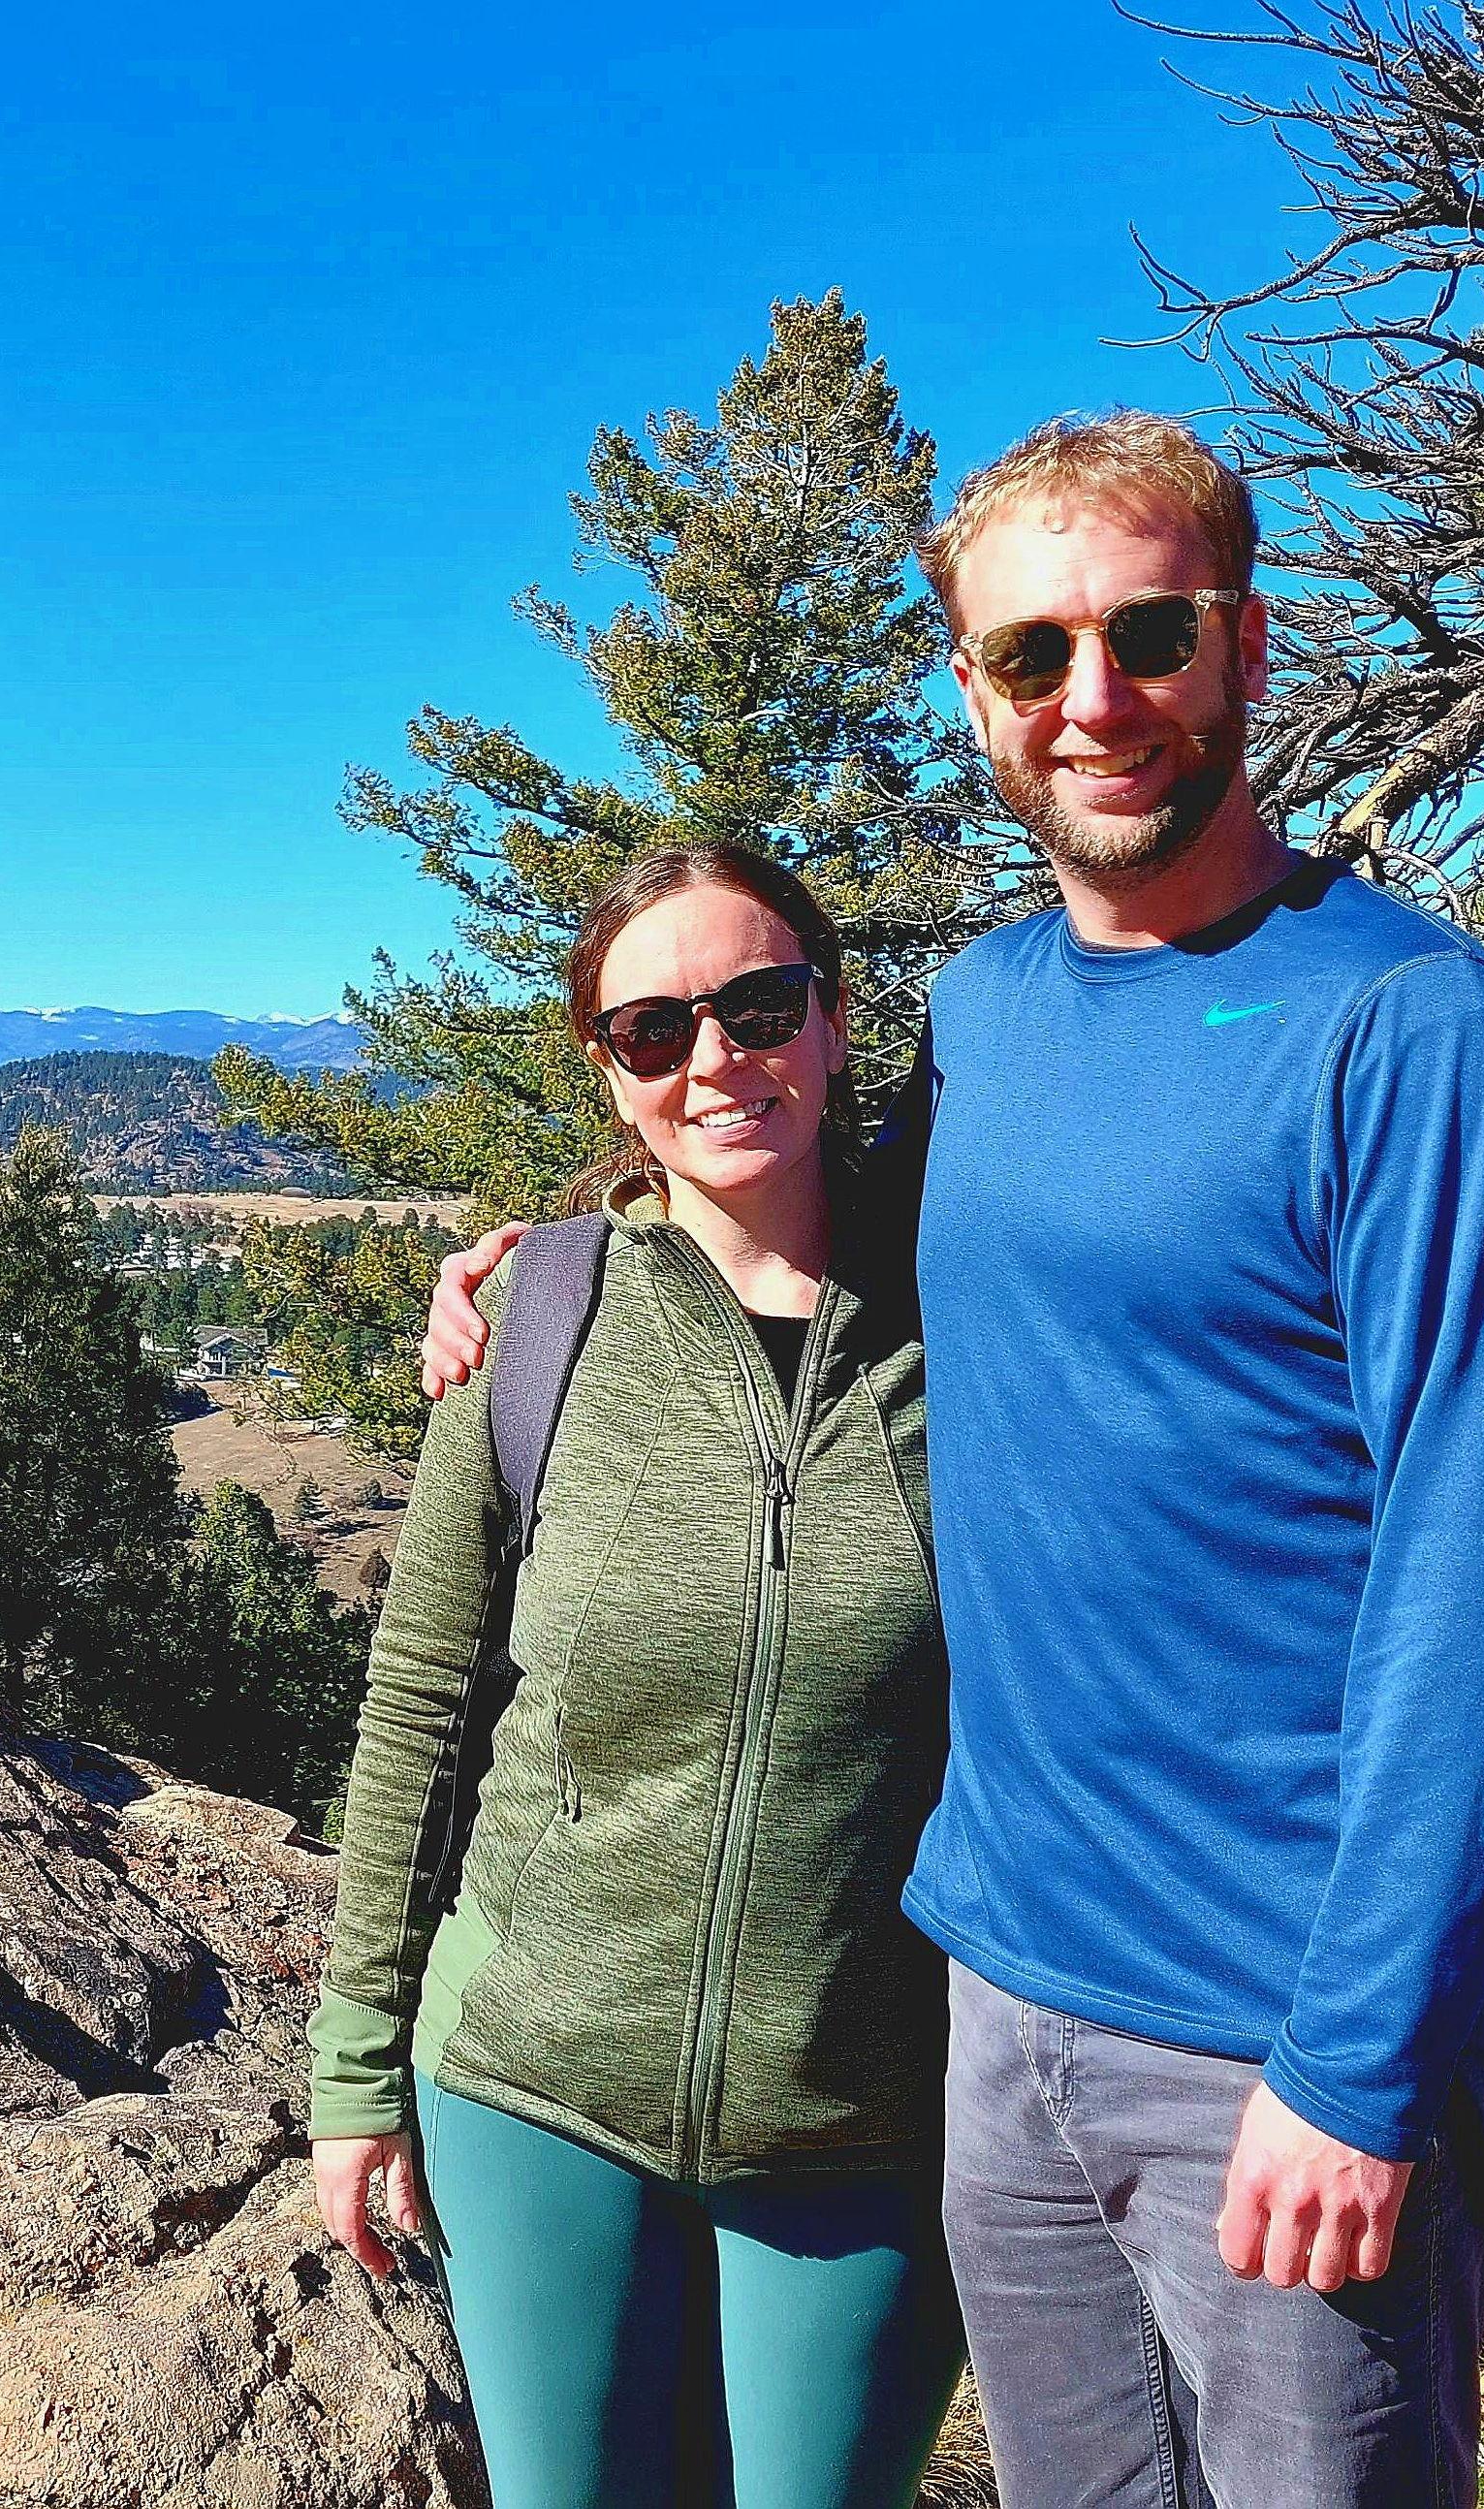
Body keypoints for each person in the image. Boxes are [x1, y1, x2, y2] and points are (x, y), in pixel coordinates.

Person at [425, 413, 1484, 2509]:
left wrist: (1357, 2053)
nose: (1094, 699)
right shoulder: (985, 1008)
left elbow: (1476, 1570)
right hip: (999, 1996)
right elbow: (784, 1199)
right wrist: (546, 1259)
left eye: (1147, 634)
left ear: (1245, 643)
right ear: (969, 690)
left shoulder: (1411, 1033)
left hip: (1276, 2028)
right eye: (1032, 654)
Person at [311, 842, 964, 2509]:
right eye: (652, 1031)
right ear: (608, 1074)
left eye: (756, 1008)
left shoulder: (978, 1317)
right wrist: (357, 2063)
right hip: (533, 2087)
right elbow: (424, 1707)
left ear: (831, 1021)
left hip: (867, 2114)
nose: (713, 1063)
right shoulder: (539, 1322)